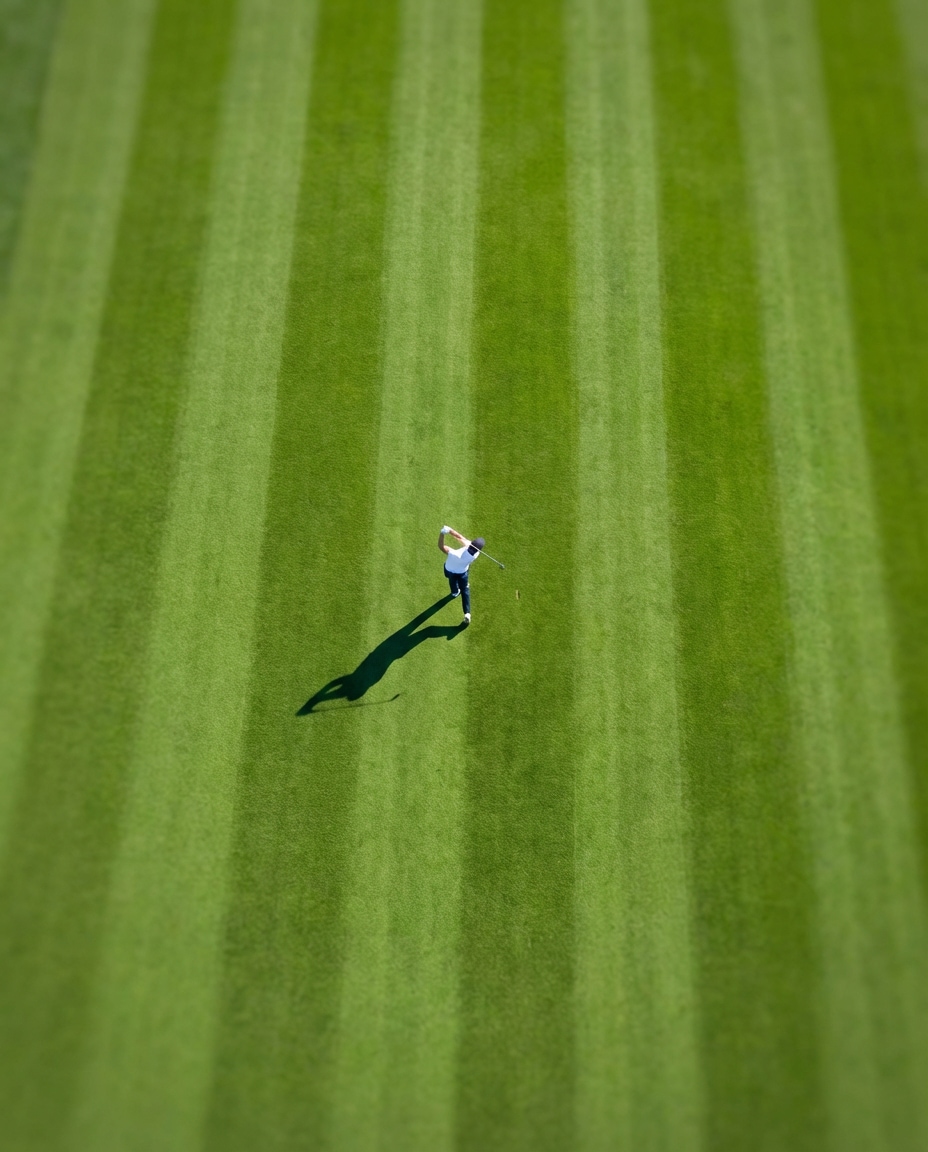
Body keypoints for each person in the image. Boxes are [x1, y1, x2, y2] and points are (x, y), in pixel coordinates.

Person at [439, 526, 484, 625]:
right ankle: (467, 613)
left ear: (471, 544)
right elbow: (459, 537)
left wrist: (443, 533)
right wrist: (450, 531)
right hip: (462, 573)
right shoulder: (476, 555)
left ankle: (455, 592)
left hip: (449, 570)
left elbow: (442, 546)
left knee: (452, 581)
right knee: (465, 590)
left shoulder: (454, 553)